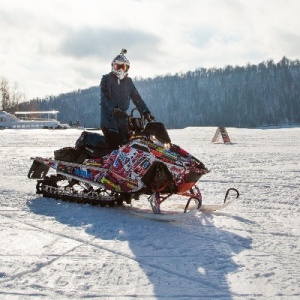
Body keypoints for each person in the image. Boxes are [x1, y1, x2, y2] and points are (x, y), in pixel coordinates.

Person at [100, 49, 154, 148]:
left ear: (127, 68)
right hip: (109, 119)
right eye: (118, 66)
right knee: (114, 145)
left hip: (123, 119)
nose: (121, 69)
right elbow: (105, 98)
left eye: (123, 67)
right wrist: (114, 109)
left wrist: (146, 112)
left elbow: (137, 98)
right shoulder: (106, 79)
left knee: (127, 145)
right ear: (113, 66)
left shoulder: (128, 82)